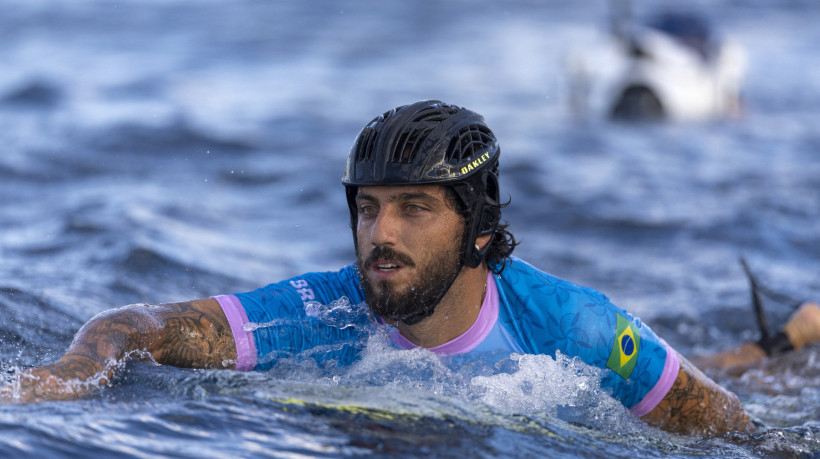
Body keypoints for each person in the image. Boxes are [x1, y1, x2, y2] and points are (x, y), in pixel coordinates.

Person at [3, 100, 818, 436]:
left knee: (738, 374)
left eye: (413, 207)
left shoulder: (575, 325)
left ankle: (783, 343)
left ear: (478, 225)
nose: (379, 234)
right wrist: (76, 371)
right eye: (367, 207)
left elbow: (733, 433)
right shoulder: (322, 313)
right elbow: (137, 327)